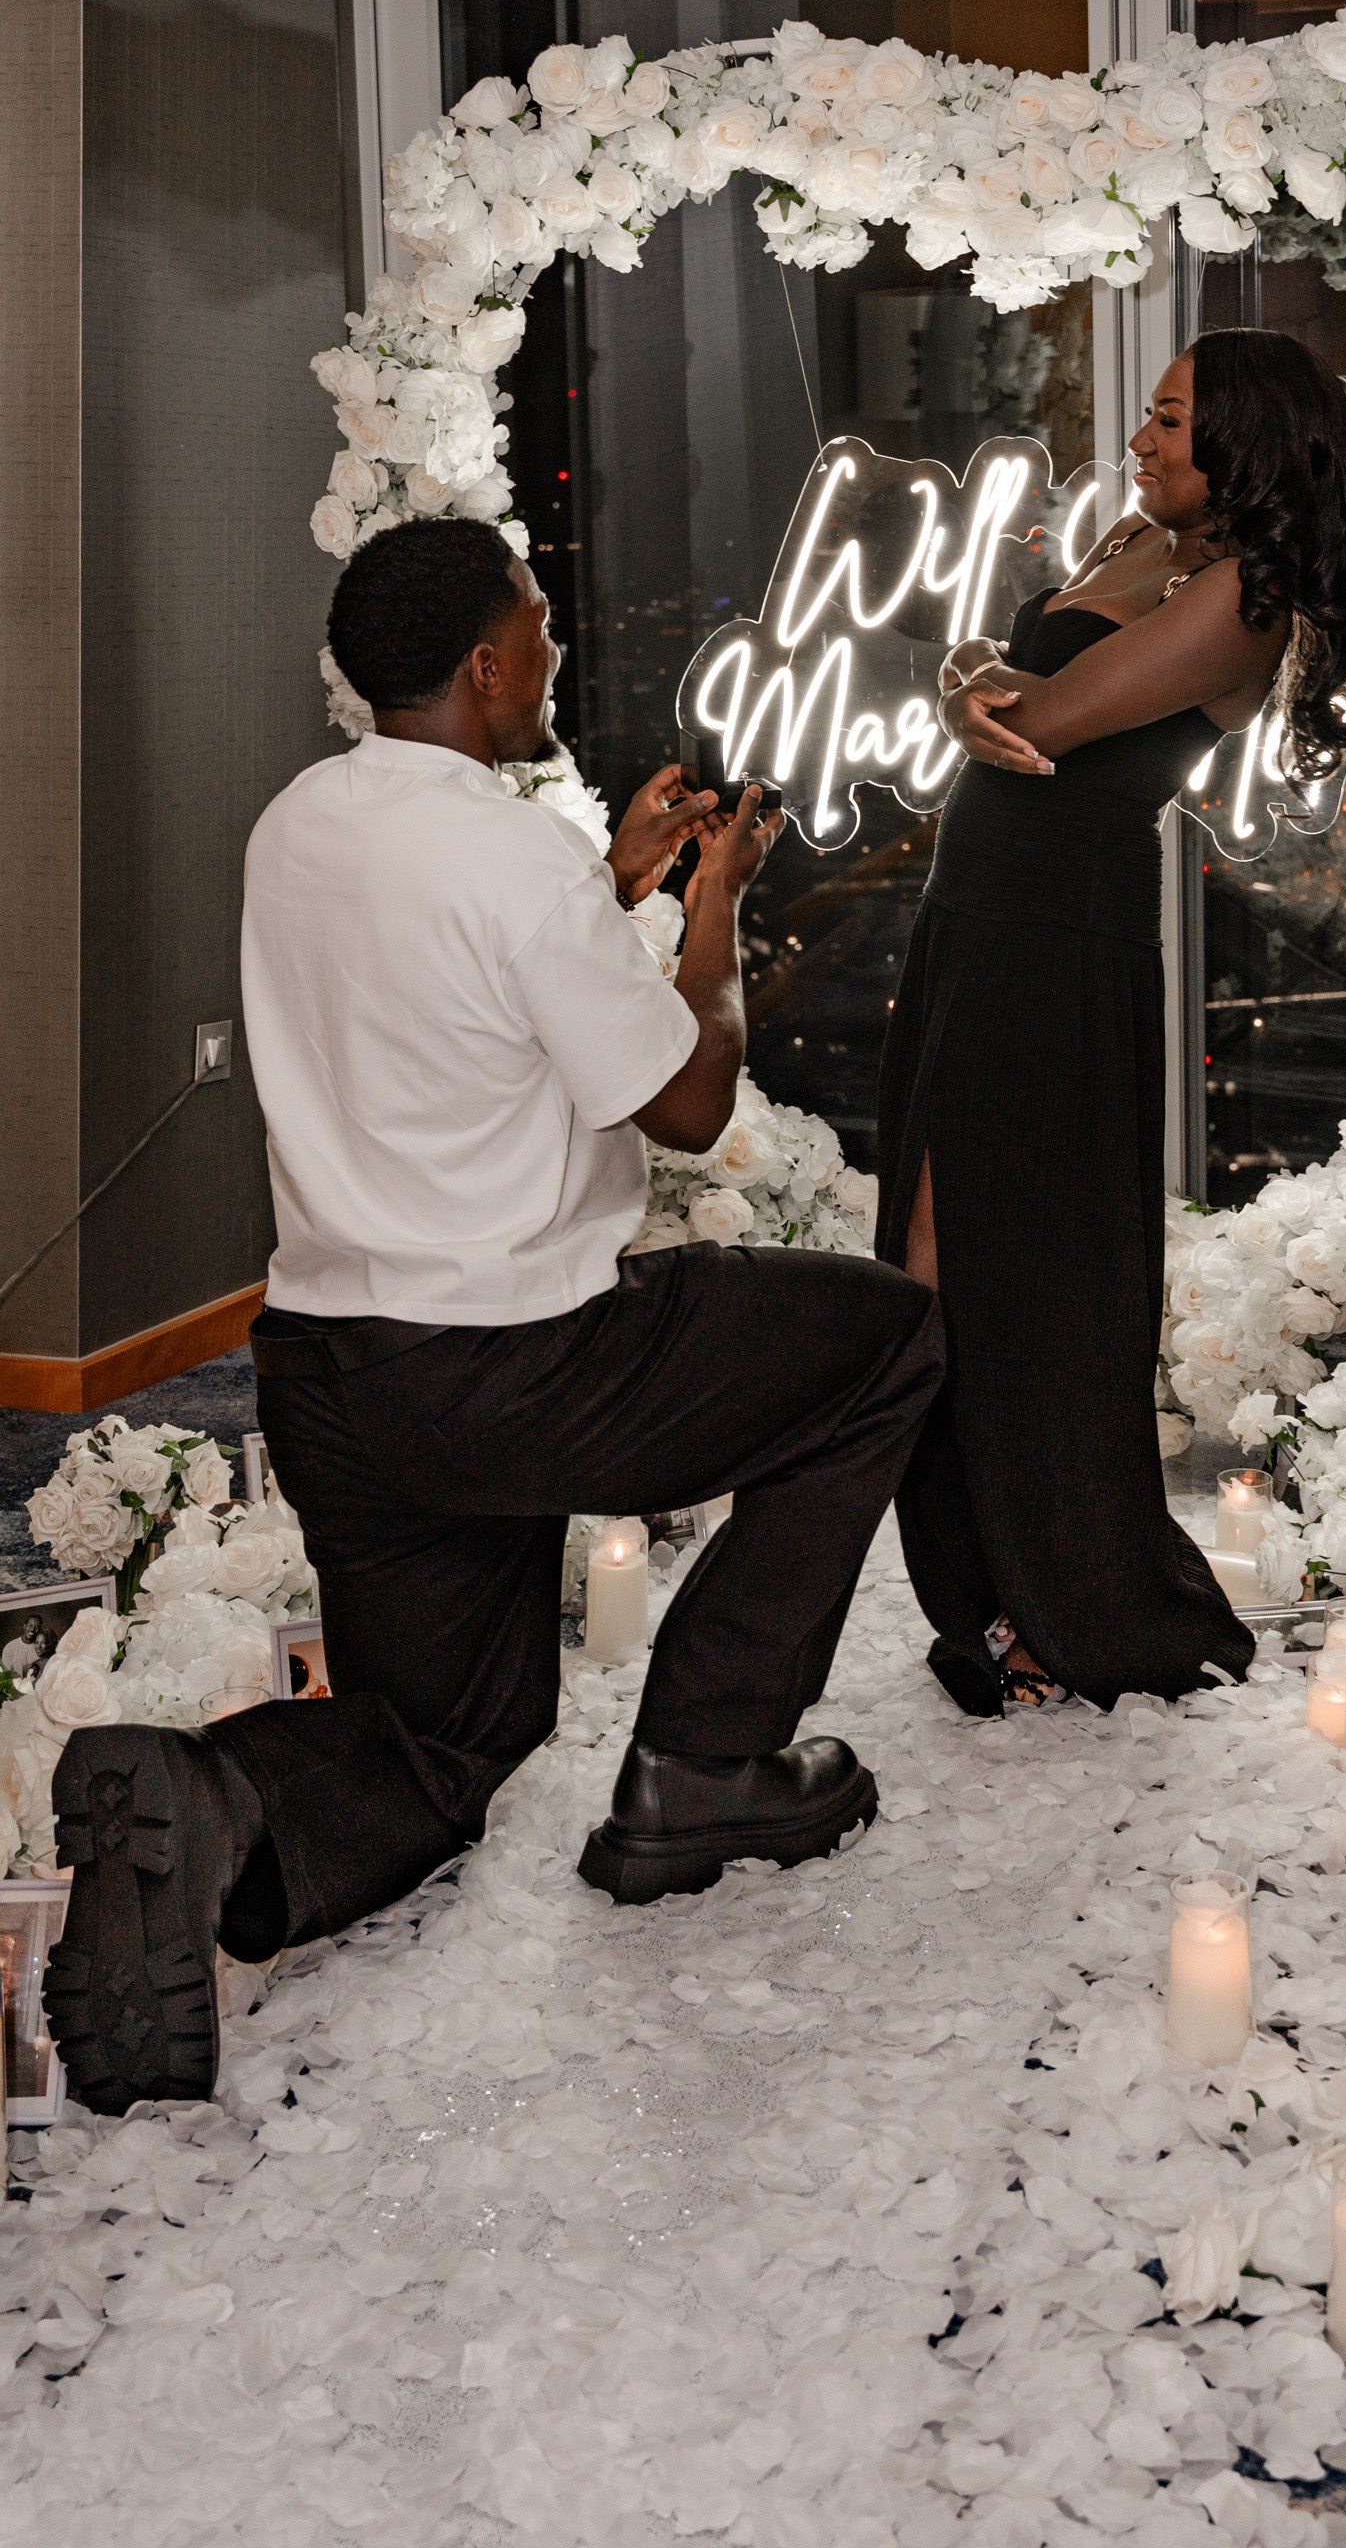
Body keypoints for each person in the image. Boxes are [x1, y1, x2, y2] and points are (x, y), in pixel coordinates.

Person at [47, 520, 943, 2116]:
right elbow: (684, 1101)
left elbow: (457, 983)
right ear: (481, 663)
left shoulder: (297, 826)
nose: (551, 653)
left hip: (334, 1377)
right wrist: (714, 906)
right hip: (525, 1370)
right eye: (535, 628)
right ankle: (706, 1763)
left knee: (454, 1741)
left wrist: (609, 885)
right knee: (883, 1341)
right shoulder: (509, 853)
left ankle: (209, 1800)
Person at [877, 329, 1346, 1714]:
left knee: (1015, 1269)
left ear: (1244, 442)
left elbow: (1035, 717)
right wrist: (962, 685)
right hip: (975, 923)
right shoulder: (1142, 544)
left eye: (1172, 421)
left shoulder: (1242, 599)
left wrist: (976, 691)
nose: (1146, 440)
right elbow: (993, 686)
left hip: (1056, 949)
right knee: (927, 1243)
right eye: (1152, 417)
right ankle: (983, 1578)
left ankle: (1069, 1595)